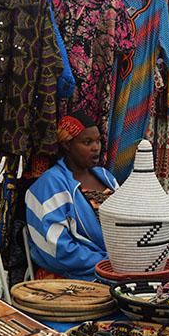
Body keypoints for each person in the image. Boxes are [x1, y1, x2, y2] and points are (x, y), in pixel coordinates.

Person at [26, 112, 119, 281]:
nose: (96, 147)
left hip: (114, 269)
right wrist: (106, 264)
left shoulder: (106, 177)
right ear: (67, 145)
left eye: (98, 141)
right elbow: (57, 247)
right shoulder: (50, 184)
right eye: (87, 142)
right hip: (76, 277)